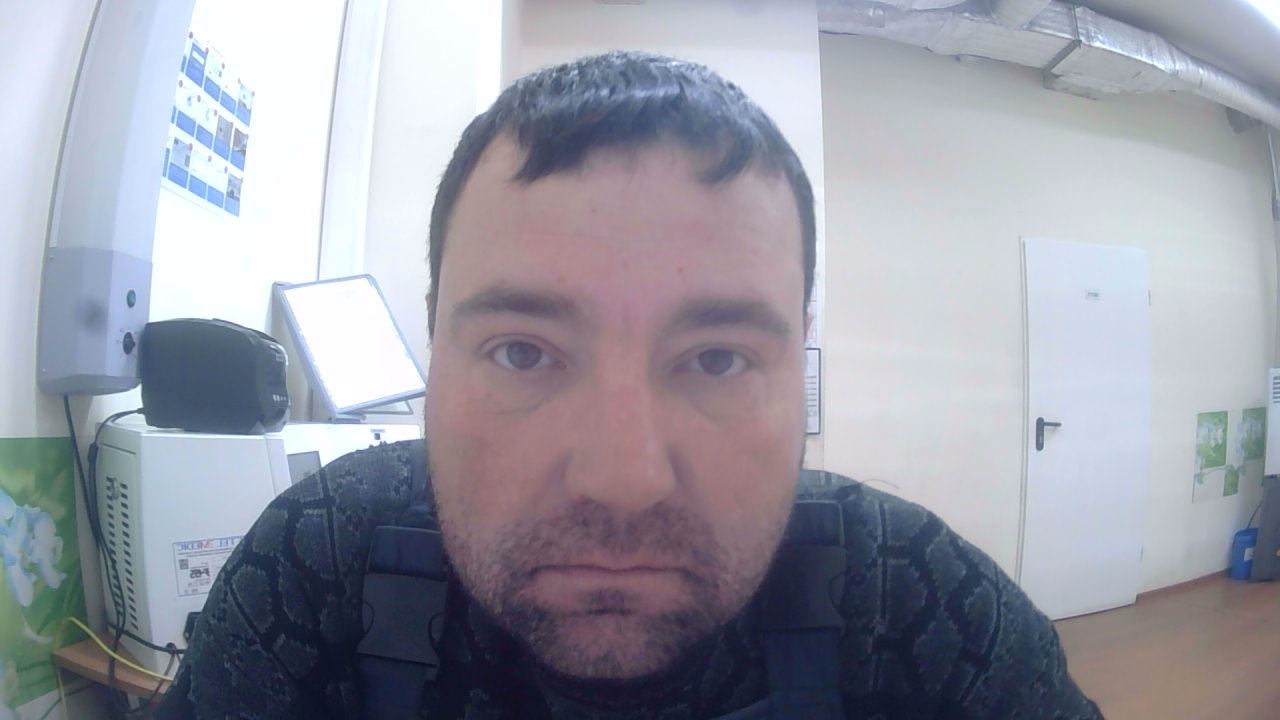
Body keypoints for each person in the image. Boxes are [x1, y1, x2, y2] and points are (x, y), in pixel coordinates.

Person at [155, 51, 1102, 719]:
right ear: (436, 344)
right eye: (522, 352)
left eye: (717, 358)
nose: (623, 480)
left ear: (799, 360)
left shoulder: (917, 603)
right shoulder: (323, 562)